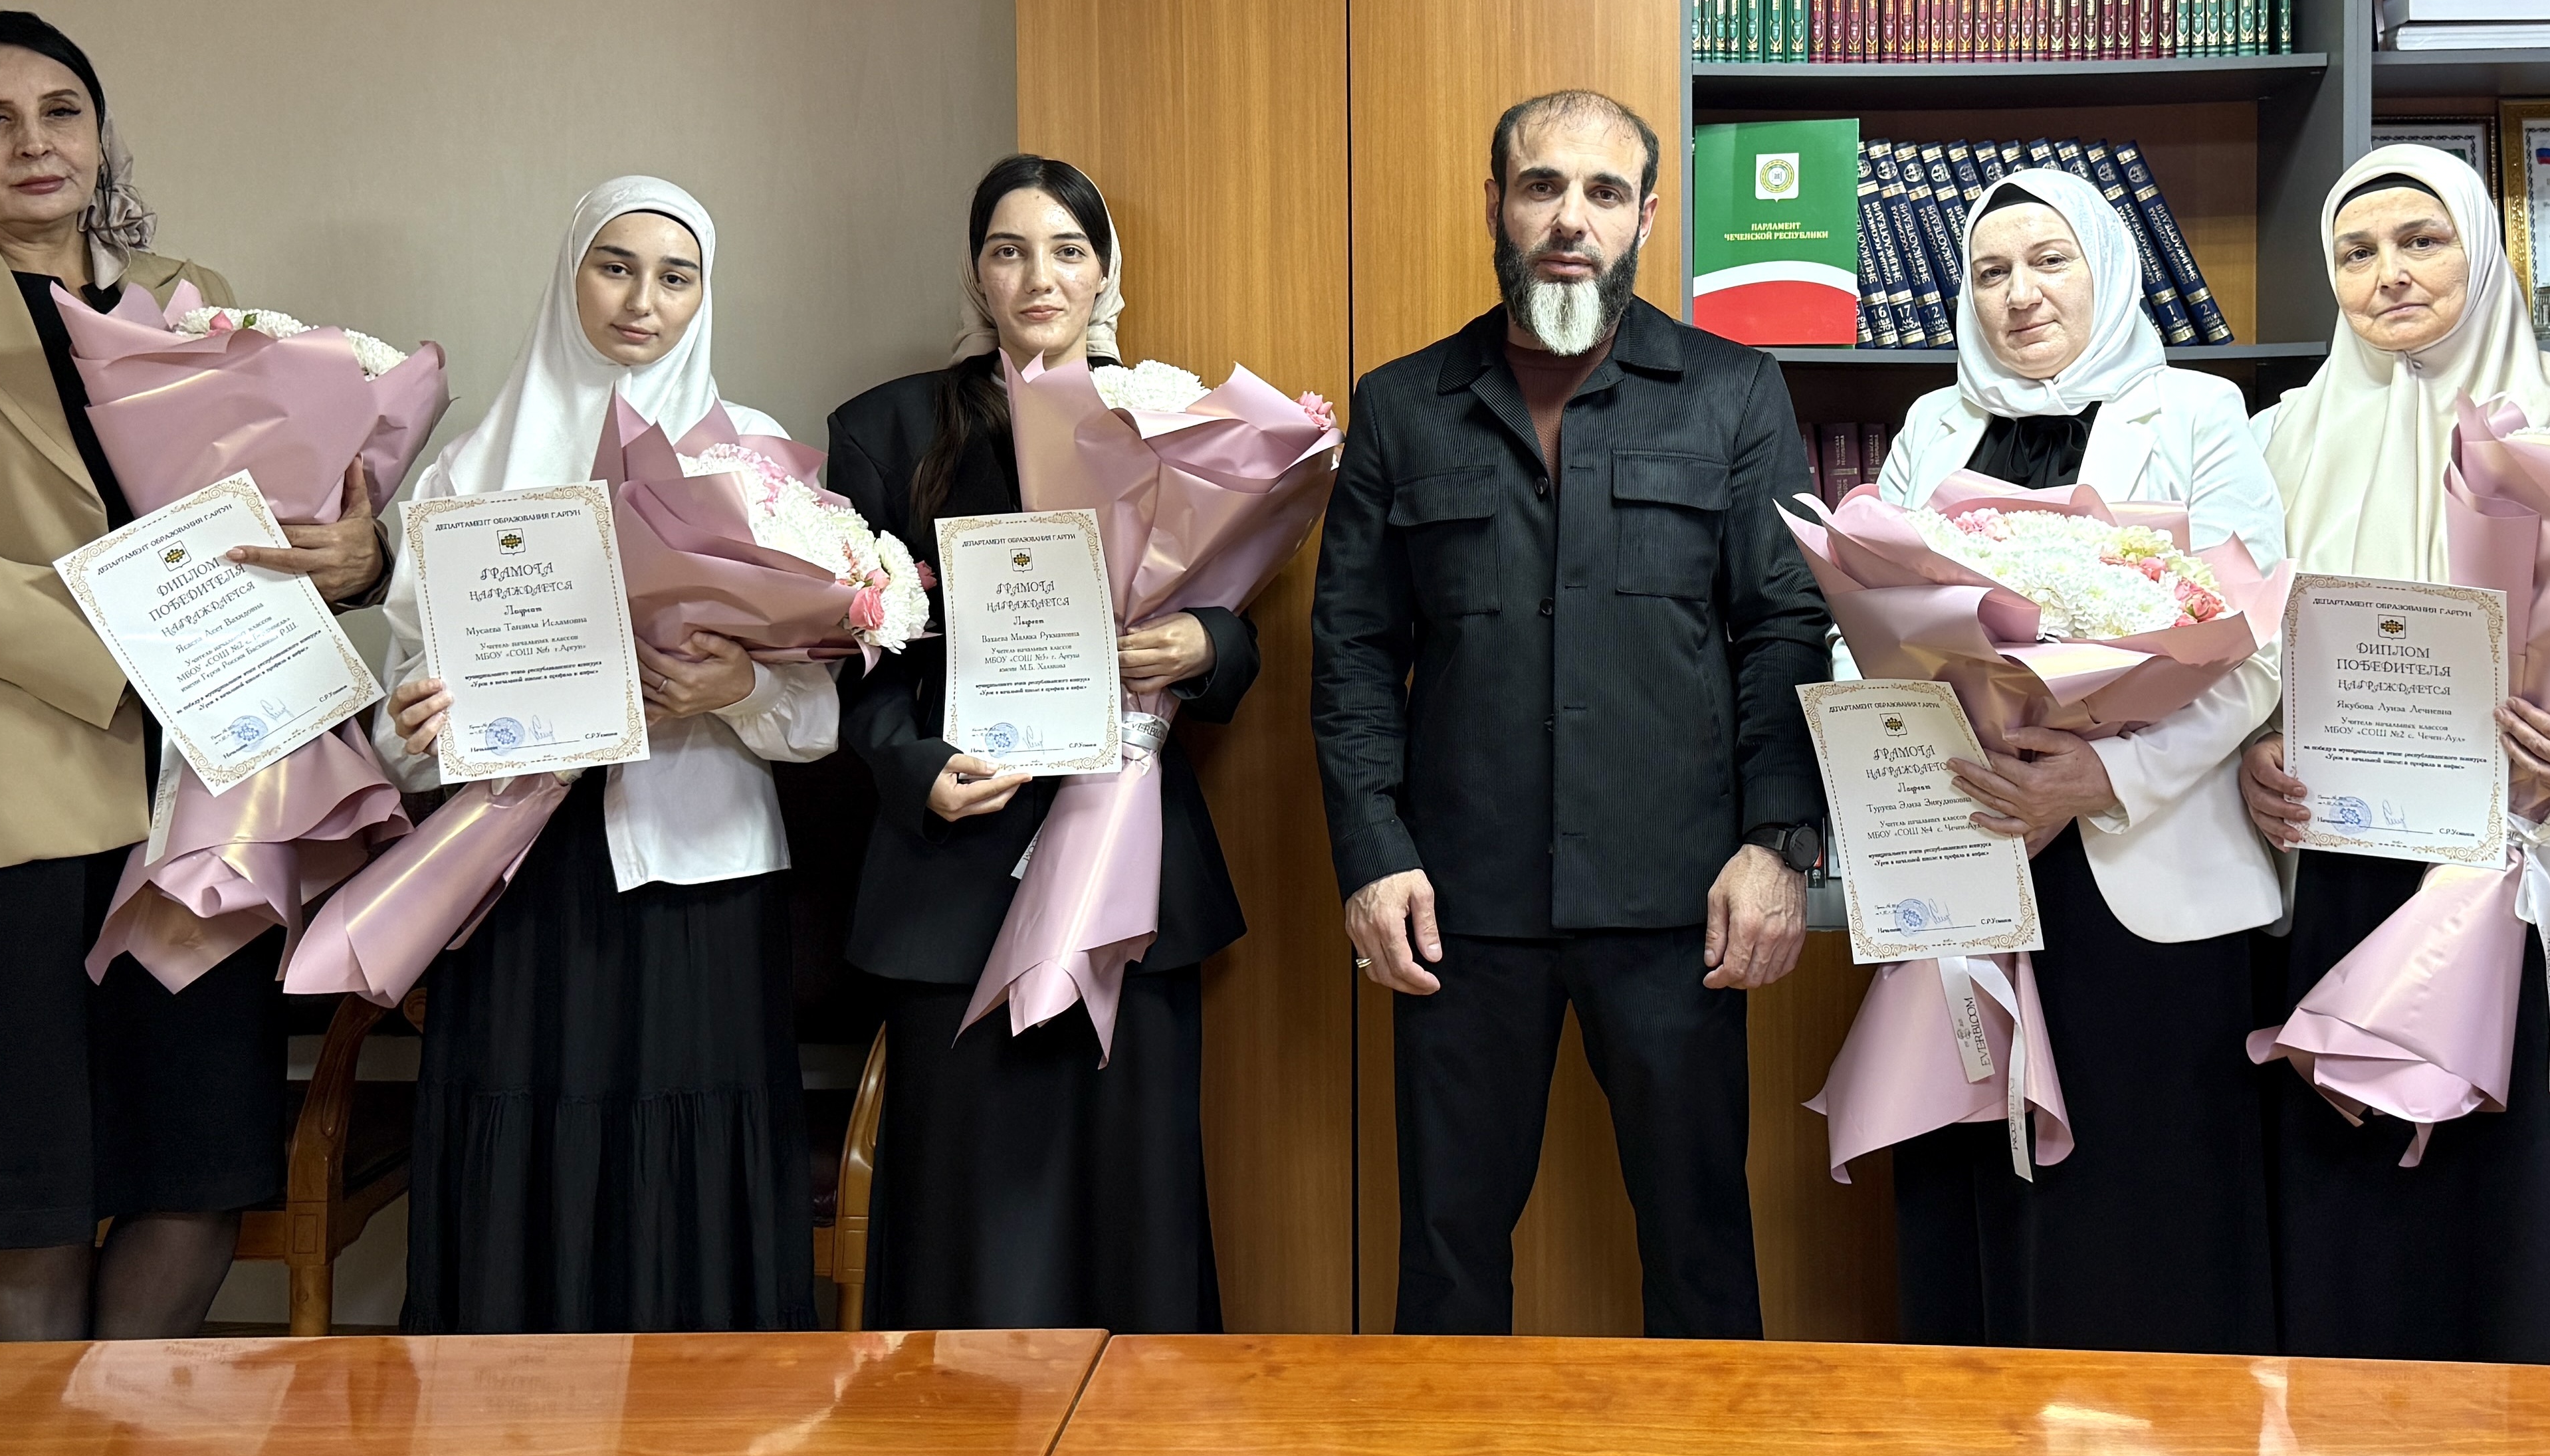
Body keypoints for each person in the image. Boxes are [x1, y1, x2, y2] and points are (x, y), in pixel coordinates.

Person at [0, 11, 381, 1340]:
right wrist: (110, 638)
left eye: (60, 110)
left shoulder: (189, 292)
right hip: (2, 787)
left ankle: (123, 1438)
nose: (33, 143)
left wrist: (359, 554)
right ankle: (42, 1447)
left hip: (207, 790)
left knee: (198, 1161)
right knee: (28, 1185)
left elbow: (266, 514)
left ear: (101, 130)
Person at [1312, 88, 1833, 1338]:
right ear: (1495, 203)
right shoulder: (1401, 405)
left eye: (1604, 192)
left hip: (1679, 901)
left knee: (1701, 1250)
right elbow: (1354, 650)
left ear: (1646, 217)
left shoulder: (1734, 392)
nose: (1570, 219)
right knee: (1446, 1259)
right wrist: (1373, 855)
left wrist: (1777, 845)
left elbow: (1783, 629)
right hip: (1459, 907)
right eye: (1542, 186)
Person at [2240, 140, 2550, 1369]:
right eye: (2357, 252)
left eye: (2423, 241)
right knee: (2375, 1235)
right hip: (2359, 880)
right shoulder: (2279, 438)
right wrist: (2251, 753)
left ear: (2482, 248)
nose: (2389, 274)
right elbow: (2238, 650)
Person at [376, 176, 834, 1332]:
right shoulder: (468, 471)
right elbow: (400, 717)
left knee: (692, 1146)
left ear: (704, 297)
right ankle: (516, 1424)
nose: (642, 300)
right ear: (569, 274)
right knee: (527, 1136)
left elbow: (820, 716)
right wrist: (417, 722)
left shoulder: (755, 464)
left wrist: (739, 689)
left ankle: (702, 1426)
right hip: (518, 869)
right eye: (615, 266)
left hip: (699, 864)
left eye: (675, 277)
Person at [825, 155, 1257, 1332]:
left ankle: (1135, 1432)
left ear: (1106, 272)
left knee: (1134, 1196)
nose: (1039, 277)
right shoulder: (885, 429)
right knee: (963, 1209)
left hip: (1128, 860)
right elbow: (852, 660)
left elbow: (1242, 628)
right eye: (1009, 251)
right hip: (952, 879)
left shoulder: (1170, 418)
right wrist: (917, 770)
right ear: (977, 273)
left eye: (1068, 250)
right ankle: (963, 1435)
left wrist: (1204, 645)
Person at [1861, 168, 2290, 1352]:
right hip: (1972, 836)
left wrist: (2104, 777)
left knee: (2147, 1199)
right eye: (1991, 271)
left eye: (2050, 261)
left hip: (2145, 869)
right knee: (1975, 1174)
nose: (2020, 293)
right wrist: (1939, 731)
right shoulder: (1931, 427)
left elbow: (2256, 646)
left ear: (2106, 269)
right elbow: (1868, 620)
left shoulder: (2198, 412)